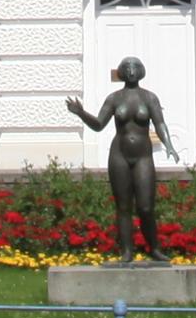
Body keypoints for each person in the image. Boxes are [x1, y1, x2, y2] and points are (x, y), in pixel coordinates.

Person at [63, 55, 181, 261]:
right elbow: (99, 124)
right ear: (121, 72)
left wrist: (168, 144)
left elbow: (159, 124)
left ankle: (154, 248)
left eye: (135, 67)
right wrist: (81, 113)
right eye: (127, 67)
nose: (132, 70)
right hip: (119, 155)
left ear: (141, 71)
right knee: (123, 206)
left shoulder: (149, 98)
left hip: (143, 156)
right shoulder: (114, 98)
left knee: (145, 206)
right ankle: (127, 251)